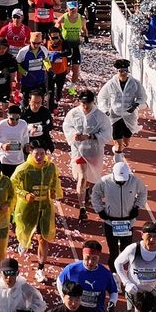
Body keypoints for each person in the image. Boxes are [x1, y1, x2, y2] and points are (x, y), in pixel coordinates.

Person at [11, 145, 62, 281]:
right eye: (36, 154)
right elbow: (13, 184)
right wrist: (25, 194)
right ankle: (23, 241)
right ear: (30, 153)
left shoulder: (50, 167)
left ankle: (41, 268)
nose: (39, 157)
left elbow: (55, 180)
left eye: (42, 153)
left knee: (43, 238)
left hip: (44, 208)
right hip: (27, 208)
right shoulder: (23, 169)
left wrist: (52, 190)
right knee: (25, 231)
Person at [62, 90, 112, 221]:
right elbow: (67, 127)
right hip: (79, 151)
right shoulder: (73, 114)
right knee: (82, 177)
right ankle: (82, 207)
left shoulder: (100, 116)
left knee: (90, 178)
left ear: (92, 102)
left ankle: (86, 190)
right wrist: (74, 135)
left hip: (94, 151)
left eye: (88, 103)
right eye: (83, 103)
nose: (85, 106)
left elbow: (107, 134)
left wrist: (90, 136)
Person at [91, 161, 148, 263]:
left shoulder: (135, 182)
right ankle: (113, 273)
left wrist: (137, 207)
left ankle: (124, 272)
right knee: (113, 252)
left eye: (124, 180)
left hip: (128, 222)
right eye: (119, 180)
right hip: (110, 222)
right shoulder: (104, 181)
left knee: (126, 251)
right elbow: (95, 194)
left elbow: (143, 193)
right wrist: (100, 210)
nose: (121, 182)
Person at [57, 240, 118, 312]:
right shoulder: (72, 269)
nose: (90, 262)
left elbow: (113, 290)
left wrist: (113, 302)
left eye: (94, 259)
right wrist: (64, 299)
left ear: (99, 257)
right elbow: (59, 281)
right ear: (82, 255)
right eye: (87, 258)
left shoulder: (105, 274)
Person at [113, 222, 156, 309]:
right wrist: (126, 282)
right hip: (134, 291)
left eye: (155, 236)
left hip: (152, 291)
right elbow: (118, 263)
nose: (152, 240)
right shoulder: (133, 249)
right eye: (149, 236)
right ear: (142, 235)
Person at [97, 59, 147, 161]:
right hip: (115, 116)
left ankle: (117, 148)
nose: (123, 73)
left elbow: (143, 98)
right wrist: (105, 109)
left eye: (125, 71)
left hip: (129, 116)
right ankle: (118, 161)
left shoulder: (135, 83)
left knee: (126, 142)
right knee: (119, 144)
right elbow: (102, 97)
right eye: (121, 71)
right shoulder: (111, 84)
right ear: (117, 71)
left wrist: (135, 105)